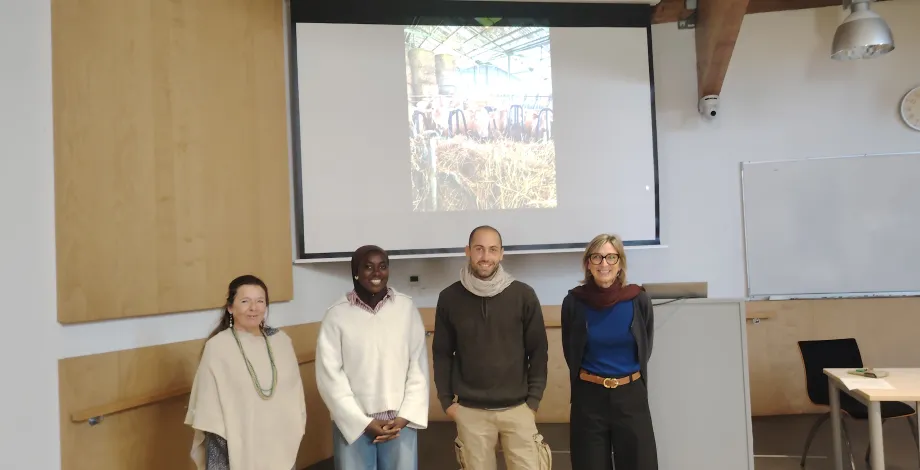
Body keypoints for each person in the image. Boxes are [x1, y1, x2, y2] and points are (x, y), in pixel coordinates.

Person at [432, 225, 551, 470]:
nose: (485, 257)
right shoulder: (449, 298)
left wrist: (533, 402)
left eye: (492, 250)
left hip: (518, 410)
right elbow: (442, 354)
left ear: (501, 254)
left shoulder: (524, 295)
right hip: (470, 412)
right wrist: (447, 402)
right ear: (468, 251)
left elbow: (538, 351)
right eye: (479, 249)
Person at [315, 245, 429, 470]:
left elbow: (418, 366)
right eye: (368, 267)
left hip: (399, 424)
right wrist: (362, 422)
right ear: (355, 272)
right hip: (355, 425)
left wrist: (405, 417)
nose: (377, 273)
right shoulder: (336, 314)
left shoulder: (406, 308)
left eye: (382, 266)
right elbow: (329, 376)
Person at [185, 274, 307, 470]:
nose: (254, 308)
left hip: (277, 443)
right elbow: (210, 408)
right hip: (232, 446)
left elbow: (294, 396)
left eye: (260, 301)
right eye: (245, 301)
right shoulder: (218, 347)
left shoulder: (281, 341)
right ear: (230, 307)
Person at [560, 234, 658, 470]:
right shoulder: (573, 302)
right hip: (589, 397)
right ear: (588, 264)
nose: (604, 264)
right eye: (597, 257)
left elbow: (646, 344)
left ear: (620, 263)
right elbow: (570, 350)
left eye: (611, 257)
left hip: (631, 395)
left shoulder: (638, 299)